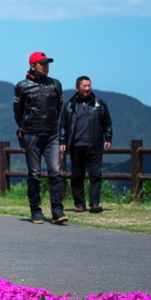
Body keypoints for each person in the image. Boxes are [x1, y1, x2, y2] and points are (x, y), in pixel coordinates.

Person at [13, 52, 67, 224]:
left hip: (52, 134)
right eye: (42, 63)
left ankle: (57, 210)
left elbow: (59, 107)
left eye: (47, 63)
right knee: (34, 174)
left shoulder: (55, 84)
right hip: (32, 136)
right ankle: (36, 211)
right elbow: (18, 111)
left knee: (55, 173)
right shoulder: (22, 86)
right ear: (32, 65)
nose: (46, 66)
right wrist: (24, 129)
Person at [59, 76, 113, 213]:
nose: (87, 88)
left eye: (89, 85)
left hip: (95, 144)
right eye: (84, 86)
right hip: (76, 145)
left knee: (95, 175)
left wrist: (108, 138)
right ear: (77, 87)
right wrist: (62, 141)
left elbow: (107, 123)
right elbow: (63, 125)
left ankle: (94, 203)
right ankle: (80, 204)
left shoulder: (99, 103)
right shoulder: (70, 105)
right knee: (77, 176)